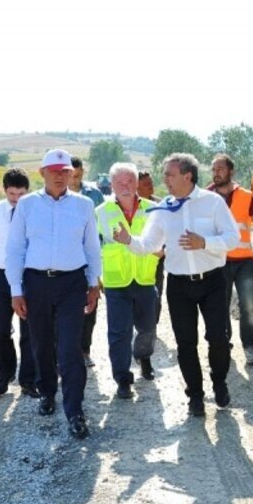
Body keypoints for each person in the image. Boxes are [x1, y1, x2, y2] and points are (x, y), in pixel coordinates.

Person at [112, 153, 239, 417]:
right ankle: (195, 396)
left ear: (187, 176)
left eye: (169, 175)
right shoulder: (163, 209)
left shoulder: (212, 202)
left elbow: (232, 238)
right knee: (186, 343)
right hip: (179, 286)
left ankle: (220, 382)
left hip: (213, 281)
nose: (165, 180)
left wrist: (204, 242)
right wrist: (128, 240)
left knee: (218, 338)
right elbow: (149, 245)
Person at [6, 149, 102, 439]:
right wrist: (16, 290)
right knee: (42, 343)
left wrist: (94, 284)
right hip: (36, 283)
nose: (61, 177)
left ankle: (75, 410)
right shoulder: (26, 206)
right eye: (55, 171)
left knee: (70, 348)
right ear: (42, 173)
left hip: (72, 283)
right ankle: (48, 392)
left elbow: (91, 248)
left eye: (66, 172)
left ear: (72, 174)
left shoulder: (84, 205)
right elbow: (15, 249)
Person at [95, 162, 161, 398]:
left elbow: (161, 245)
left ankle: (143, 357)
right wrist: (94, 278)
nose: (125, 186)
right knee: (119, 332)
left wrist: (158, 250)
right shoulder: (101, 212)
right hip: (116, 282)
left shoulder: (154, 209)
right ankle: (122, 378)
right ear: (111, 184)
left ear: (136, 184)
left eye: (129, 181)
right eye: (120, 182)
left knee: (147, 328)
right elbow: (92, 247)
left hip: (144, 279)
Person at [208, 154, 253, 366]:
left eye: (220, 169)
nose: (216, 173)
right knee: (220, 306)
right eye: (214, 169)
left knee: (248, 305)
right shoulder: (207, 196)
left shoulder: (246, 196)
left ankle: (249, 346)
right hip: (218, 261)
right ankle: (224, 344)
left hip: (243, 262)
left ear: (231, 171)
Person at [0, 167, 39, 398]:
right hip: (1, 276)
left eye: (21, 194)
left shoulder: (35, 211)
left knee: (30, 330)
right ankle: (5, 375)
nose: (16, 199)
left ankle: (28, 380)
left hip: (29, 277)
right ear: (4, 190)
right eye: (12, 194)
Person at [69, 156, 105, 368]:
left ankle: (84, 349)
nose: (75, 178)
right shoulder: (56, 196)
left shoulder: (94, 195)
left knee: (91, 305)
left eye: (78, 174)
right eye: (71, 174)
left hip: (90, 257)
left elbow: (101, 225)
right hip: (67, 259)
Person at [138, 169, 167, 335]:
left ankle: (151, 326)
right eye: (146, 184)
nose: (151, 186)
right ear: (137, 188)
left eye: (151, 183)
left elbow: (169, 230)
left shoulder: (160, 205)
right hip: (139, 257)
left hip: (157, 257)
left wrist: (163, 251)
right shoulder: (131, 207)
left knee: (156, 292)